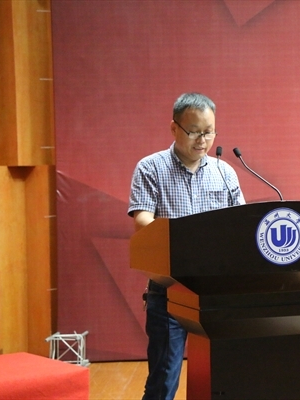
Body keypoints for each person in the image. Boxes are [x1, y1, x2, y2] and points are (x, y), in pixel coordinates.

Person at [128, 92, 245, 400]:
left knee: (224, 378)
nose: (202, 140)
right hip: (170, 288)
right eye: (194, 132)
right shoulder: (150, 168)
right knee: (164, 378)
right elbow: (142, 220)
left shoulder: (225, 172)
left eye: (209, 132)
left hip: (217, 290)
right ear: (174, 128)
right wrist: (188, 240)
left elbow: (241, 224)